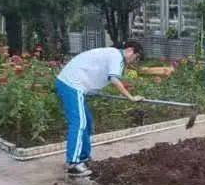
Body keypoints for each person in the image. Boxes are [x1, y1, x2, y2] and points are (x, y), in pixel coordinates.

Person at [56, 41, 144, 177]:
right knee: (79, 123)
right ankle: (73, 164)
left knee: (88, 123)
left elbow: (96, 71)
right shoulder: (117, 56)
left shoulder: (112, 54)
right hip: (73, 85)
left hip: (72, 84)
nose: (134, 61)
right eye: (136, 57)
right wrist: (131, 97)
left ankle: (83, 158)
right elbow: (114, 79)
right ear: (131, 51)